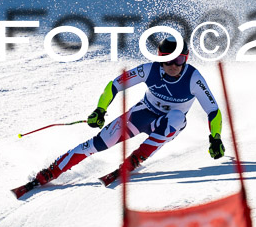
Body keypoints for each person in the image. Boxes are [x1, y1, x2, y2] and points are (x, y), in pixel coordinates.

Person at [20, 36, 225, 194]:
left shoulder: (193, 78)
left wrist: (215, 138)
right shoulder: (148, 70)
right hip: (142, 114)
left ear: (186, 59)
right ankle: (51, 171)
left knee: (177, 119)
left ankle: (136, 158)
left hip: (168, 122)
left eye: (179, 60)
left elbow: (213, 111)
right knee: (99, 143)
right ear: (160, 59)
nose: (174, 66)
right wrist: (100, 110)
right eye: (168, 60)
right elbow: (114, 85)